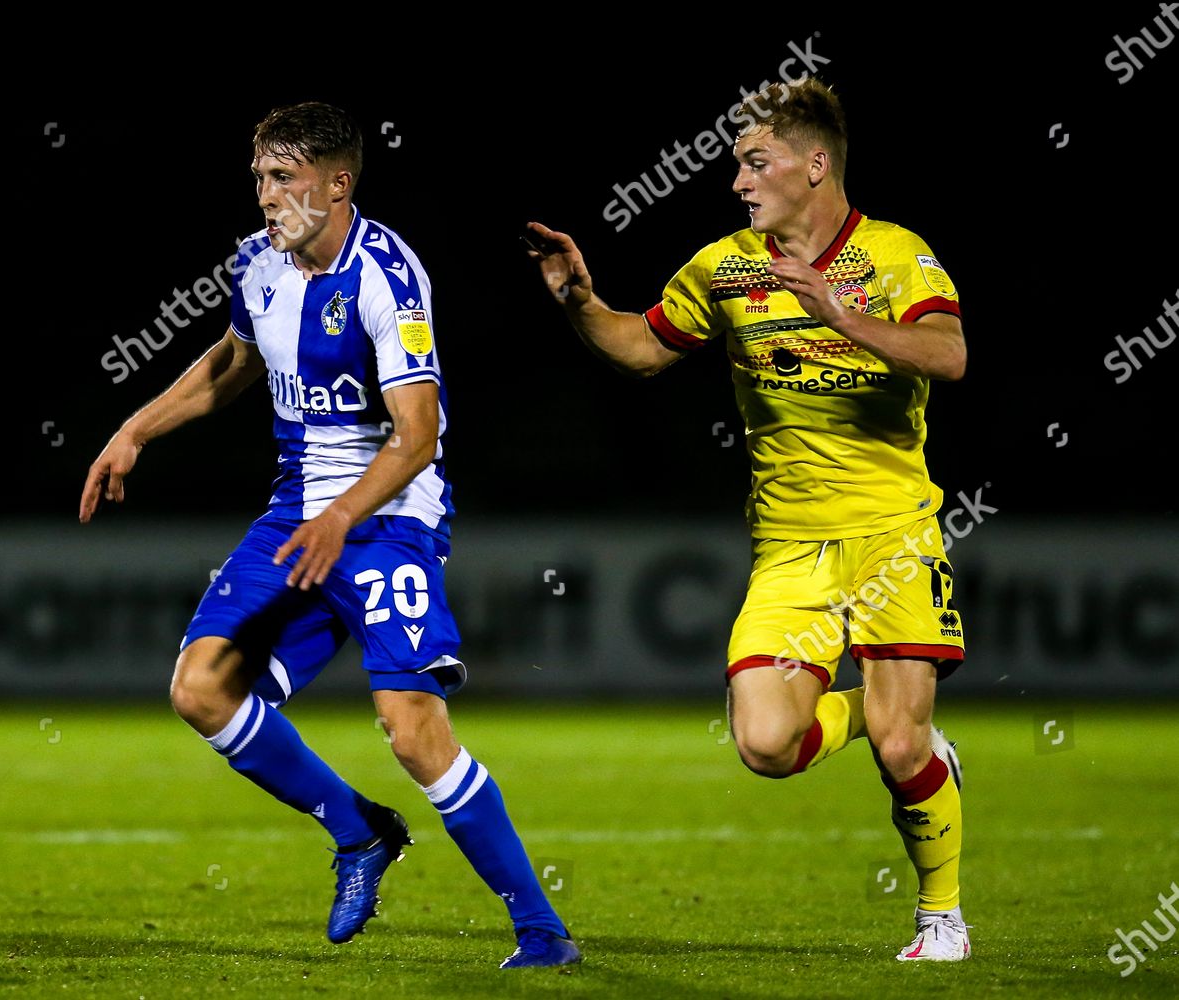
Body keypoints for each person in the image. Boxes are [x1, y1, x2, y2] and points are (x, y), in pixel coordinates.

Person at [79, 101, 579, 969]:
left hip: (387, 522)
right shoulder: (258, 266)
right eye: (260, 179)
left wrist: (343, 516)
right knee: (201, 688)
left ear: (338, 184)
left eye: (285, 180)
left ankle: (542, 933)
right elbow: (232, 365)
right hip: (297, 514)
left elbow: (416, 434)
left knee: (413, 730)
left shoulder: (388, 276)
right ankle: (358, 831)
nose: (267, 198)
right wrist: (137, 428)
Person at [527, 76, 970, 962]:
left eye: (753, 161)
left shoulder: (893, 256)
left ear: (814, 165)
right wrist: (579, 301)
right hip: (790, 550)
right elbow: (644, 349)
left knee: (898, 743)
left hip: (894, 533)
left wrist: (841, 316)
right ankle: (884, 723)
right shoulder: (726, 266)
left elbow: (949, 355)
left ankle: (941, 916)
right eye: (736, 163)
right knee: (766, 744)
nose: (736, 179)